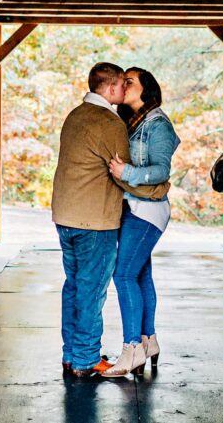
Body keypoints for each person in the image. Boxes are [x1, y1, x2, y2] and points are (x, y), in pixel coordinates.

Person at [51, 62, 171, 378]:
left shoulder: (75, 115)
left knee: (75, 287)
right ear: (111, 87)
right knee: (93, 289)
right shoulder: (110, 123)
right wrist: (160, 188)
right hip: (95, 221)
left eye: (132, 83)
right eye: (123, 83)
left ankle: (71, 354)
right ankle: (87, 359)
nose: (125, 88)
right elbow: (122, 176)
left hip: (65, 216)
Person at [101, 68, 181, 378]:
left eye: (130, 81)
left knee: (123, 276)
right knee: (141, 274)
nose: (123, 84)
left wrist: (128, 174)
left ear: (146, 89)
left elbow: (161, 169)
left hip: (147, 211)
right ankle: (150, 341)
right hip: (133, 207)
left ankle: (132, 348)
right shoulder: (131, 122)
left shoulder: (157, 124)